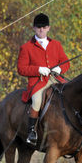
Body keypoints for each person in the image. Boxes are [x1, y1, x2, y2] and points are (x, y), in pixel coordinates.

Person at [17, 13, 69, 145]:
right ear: (34, 28)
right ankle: (31, 131)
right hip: (38, 83)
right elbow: (21, 69)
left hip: (57, 80)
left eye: (44, 27)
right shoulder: (26, 47)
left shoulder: (56, 45)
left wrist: (59, 69)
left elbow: (66, 62)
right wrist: (38, 69)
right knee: (37, 101)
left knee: (74, 94)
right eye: (38, 27)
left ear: (48, 28)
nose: (41, 30)